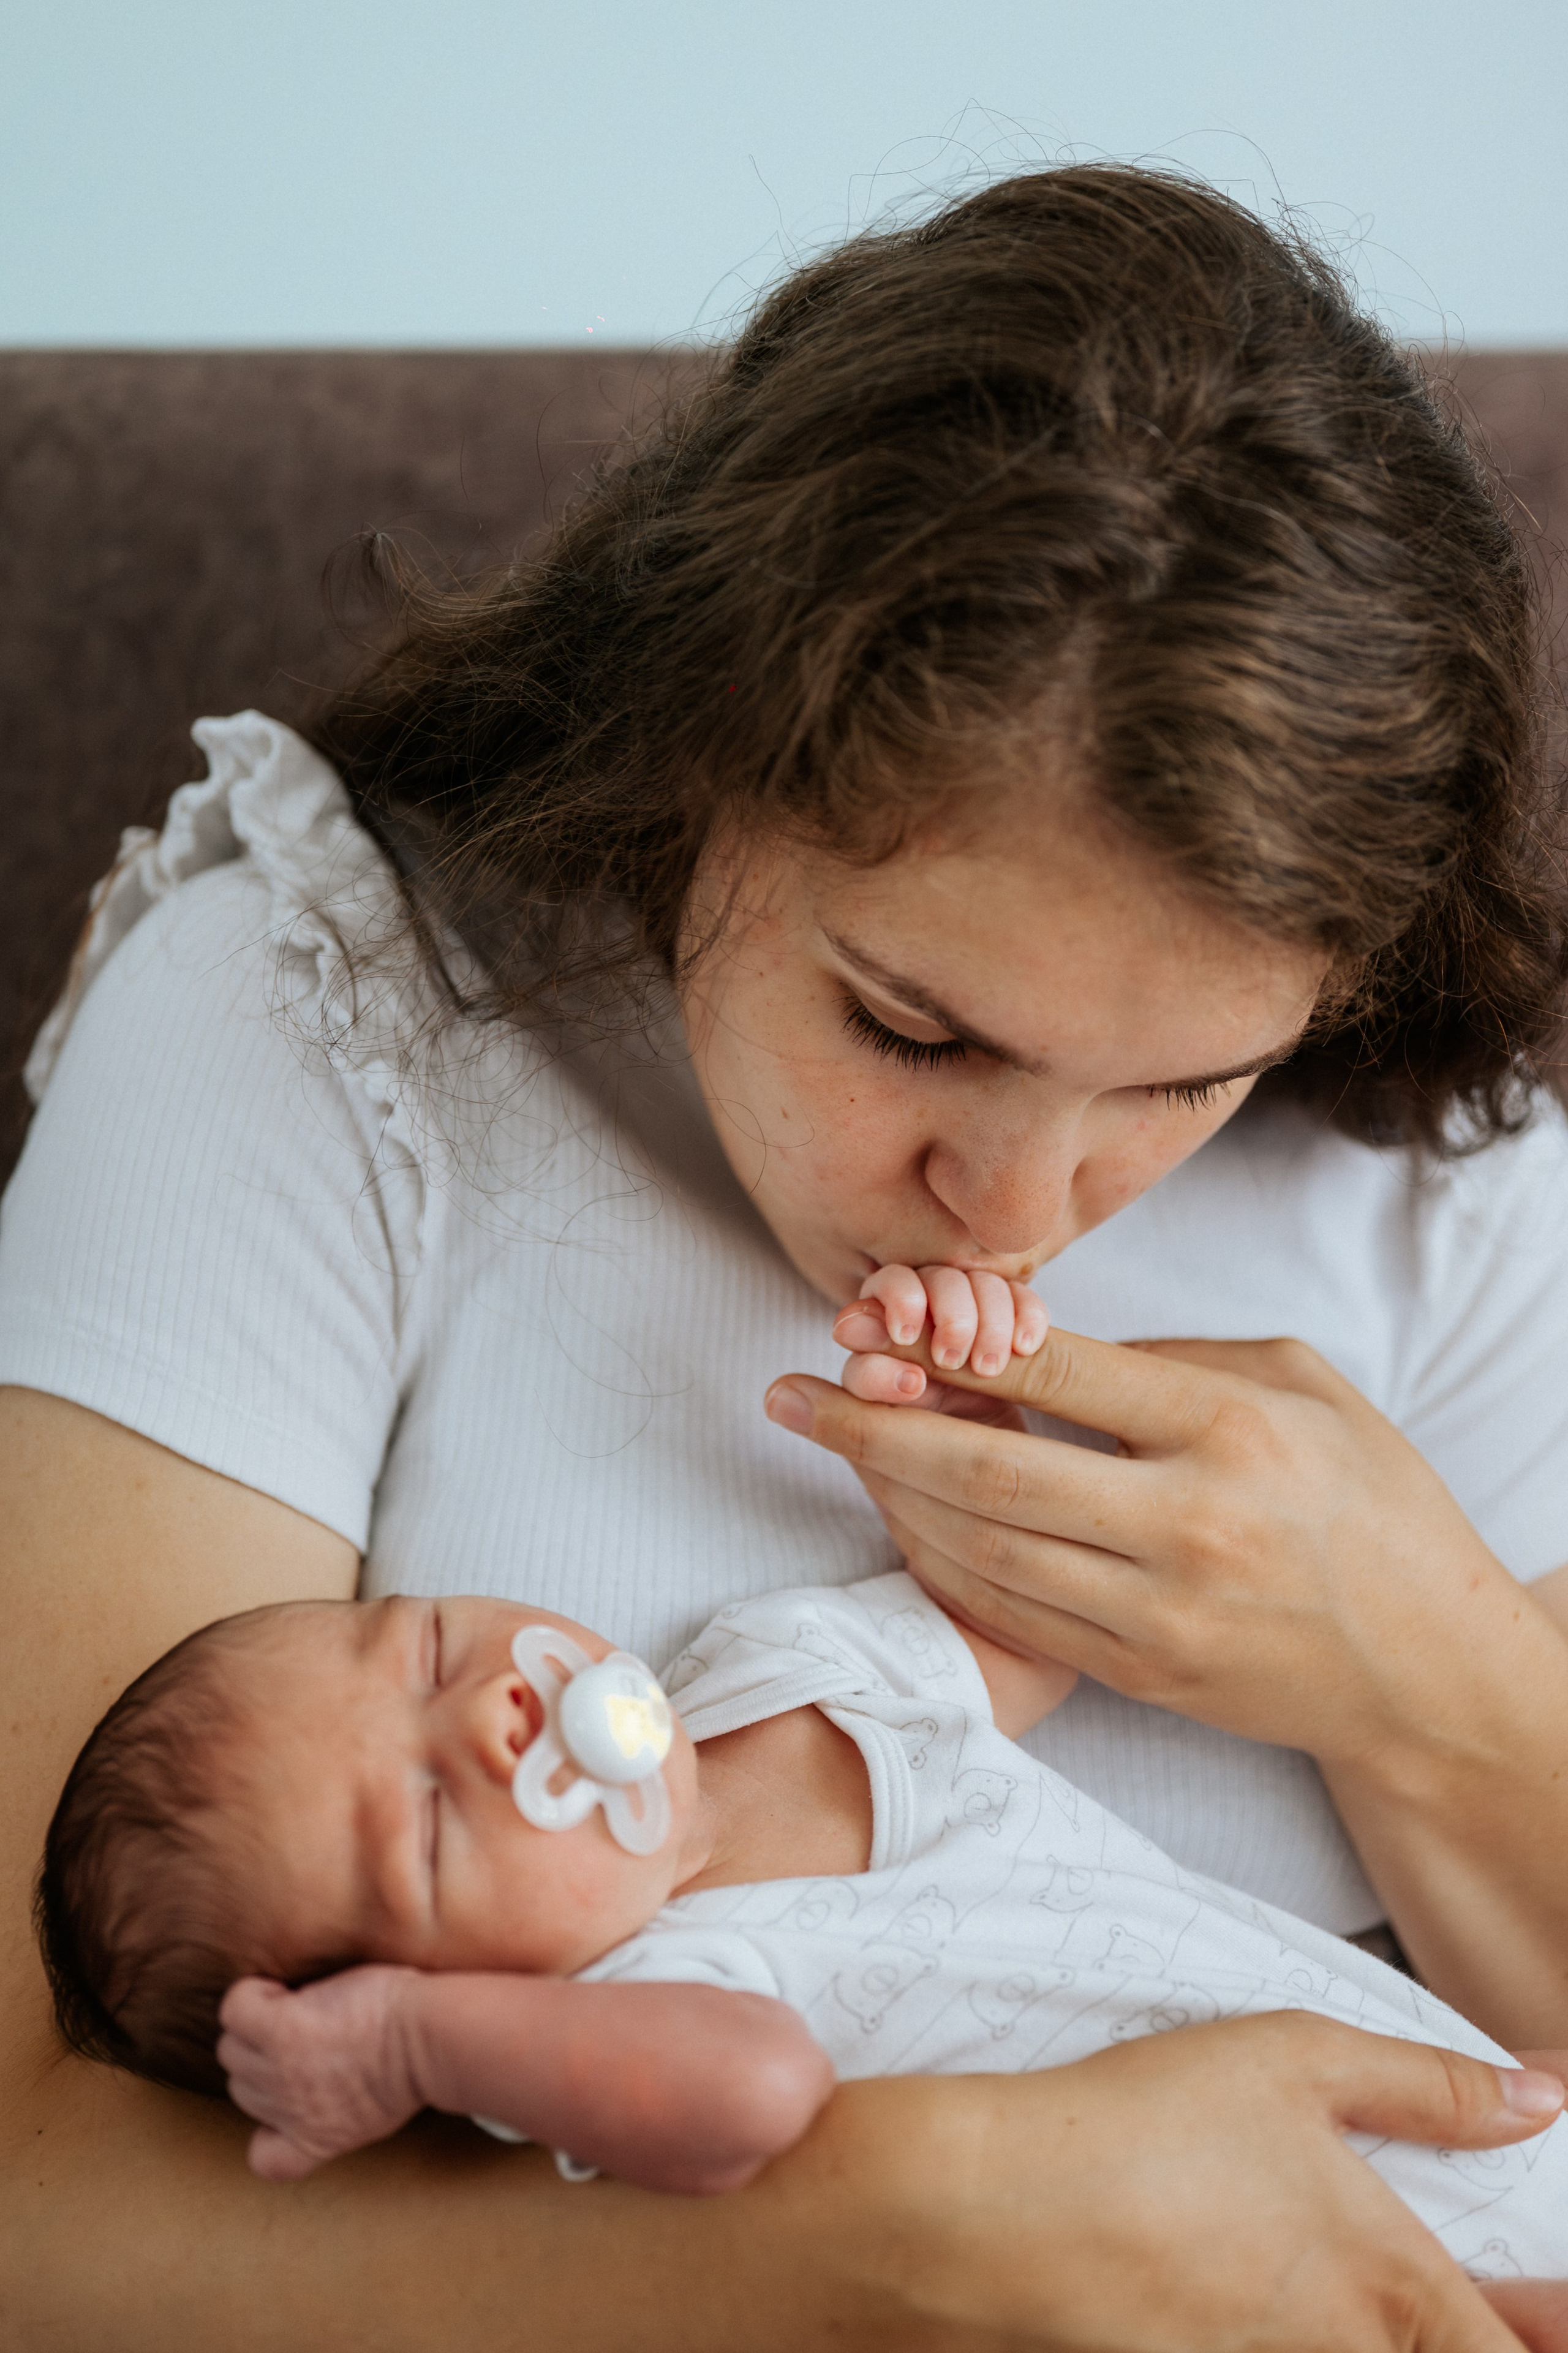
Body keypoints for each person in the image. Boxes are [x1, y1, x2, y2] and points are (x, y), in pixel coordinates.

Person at [4, 161, 1568, 2350]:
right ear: (689, 750)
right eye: (915, 1028)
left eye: (1184, 1085)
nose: (1021, 1214)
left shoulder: (1448, 1178)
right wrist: (904, 2226)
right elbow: (32, 2192)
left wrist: (1437, 1678)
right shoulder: (320, 1022)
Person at [34, 1567, 1568, 2287]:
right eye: (430, 1825)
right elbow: (751, 2098)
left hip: (1472, 2110)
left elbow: (1028, 1624)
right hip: (1361, 2278)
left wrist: (959, 1412)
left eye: (423, 1643)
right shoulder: (637, 1998)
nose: (494, 1710)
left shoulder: (781, 1665)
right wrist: (414, 2051)